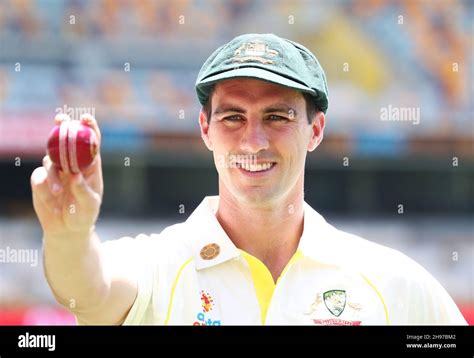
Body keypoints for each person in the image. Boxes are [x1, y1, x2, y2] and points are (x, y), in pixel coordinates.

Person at [31, 33, 467, 325]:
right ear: (205, 129)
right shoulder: (161, 265)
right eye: (233, 117)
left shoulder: (393, 283)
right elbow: (87, 291)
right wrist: (69, 232)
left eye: (277, 116)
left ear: (315, 130)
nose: (253, 141)